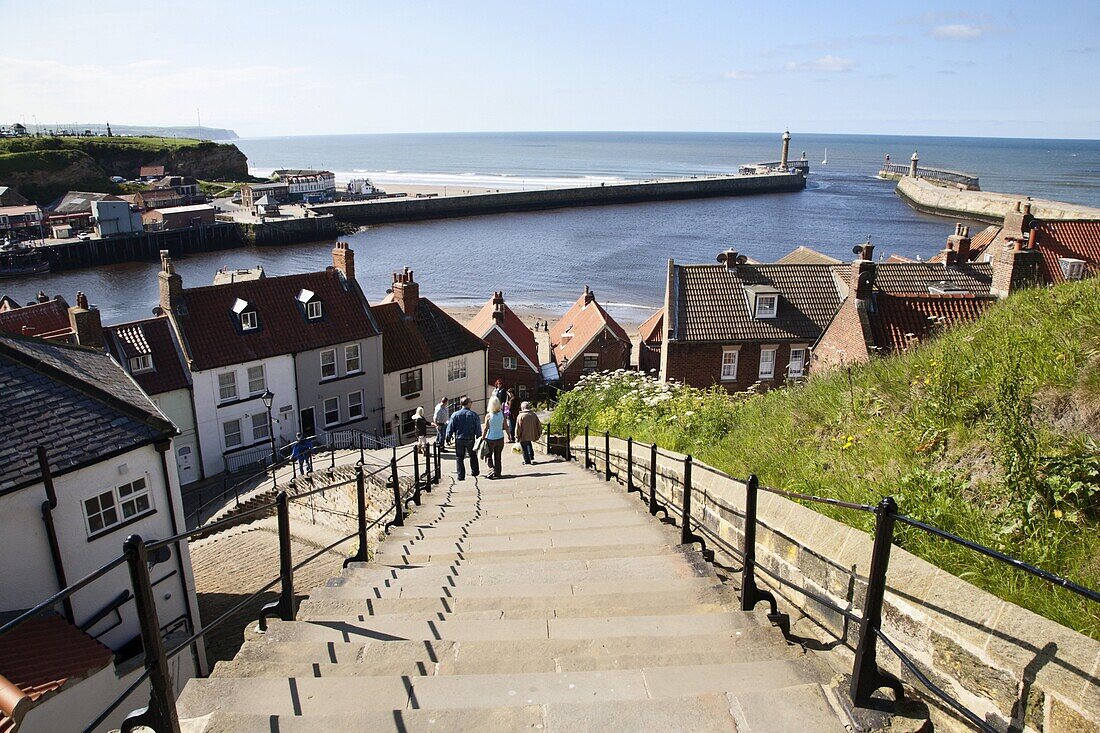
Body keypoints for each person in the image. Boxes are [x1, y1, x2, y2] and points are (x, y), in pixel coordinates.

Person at [444, 396, 481, 480]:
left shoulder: (455, 415)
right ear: (468, 403)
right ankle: (475, 471)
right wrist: (479, 437)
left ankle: (461, 475)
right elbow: (478, 428)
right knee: (472, 455)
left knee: (459, 457)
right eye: (471, 402)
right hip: (470, 438)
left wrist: (448, 438)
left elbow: (450, 427)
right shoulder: (473, 415)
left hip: (459, 438)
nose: (471, 403)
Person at [483, 395, 507, 479]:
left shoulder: (488, 416)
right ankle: (498, 473)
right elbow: (506, 426)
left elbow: (486, 428)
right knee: (498, 456)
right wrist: (510, 436)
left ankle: (491, 469)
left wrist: (483, 437)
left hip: (490, 438)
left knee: (488, 455)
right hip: (500, 437)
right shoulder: (502, 414)